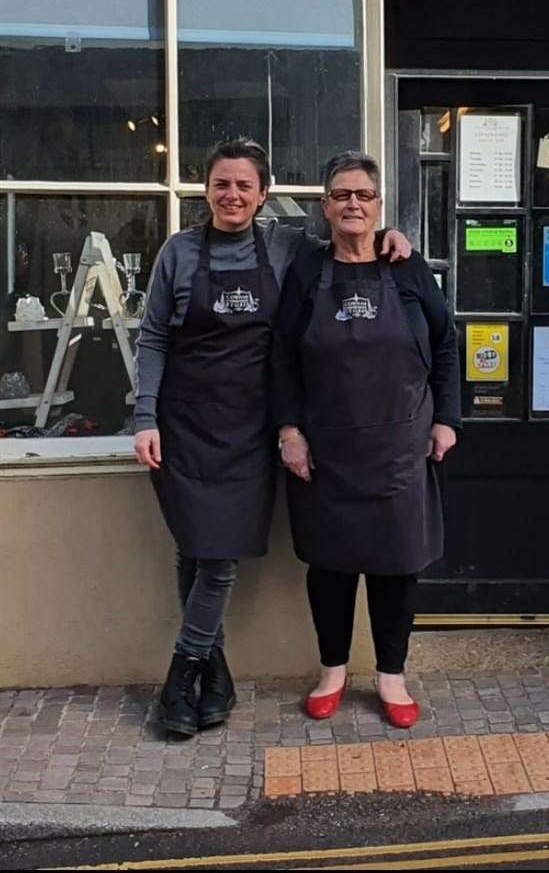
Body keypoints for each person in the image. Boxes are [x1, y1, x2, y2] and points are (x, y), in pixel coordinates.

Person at [133, 138, 411, 737]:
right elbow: (153, 337)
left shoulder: (287, 247)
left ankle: (184, 670)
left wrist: (397, 238)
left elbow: (351, 236)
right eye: (221, 184)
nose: (232, 195)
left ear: (264, 194)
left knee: (219, 555)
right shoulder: (178, 252)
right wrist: (145, 416)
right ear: (206, 189)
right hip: (184, 423)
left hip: (251, 427)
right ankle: (214, 672)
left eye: (244, 186)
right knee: (196, 550)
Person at [273, 151, 460, 729]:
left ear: (379, 206)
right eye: (341, 195)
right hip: (326, 449)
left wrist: (447, 418)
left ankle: (391, 676)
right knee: (330, 566)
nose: (353, 204)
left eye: (364, 195)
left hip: (399, 445)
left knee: (396, 565)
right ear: (324, 207)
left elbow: (447, 343)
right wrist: (289, 430)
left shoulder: (407, 267)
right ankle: (332, 671)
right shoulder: (306, 269)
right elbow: (280, 359)